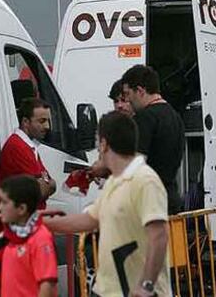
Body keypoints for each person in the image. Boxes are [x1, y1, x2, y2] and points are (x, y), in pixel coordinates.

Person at [45, 111, 170, 297]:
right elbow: (89, 220)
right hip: (110, 290)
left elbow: (159, 235)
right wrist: (41, 224)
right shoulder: (114, 181)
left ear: (103, 144)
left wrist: (147, 285)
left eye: (97, 141)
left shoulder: (145, 180)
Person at [0, 175, 58, 297]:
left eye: (4, 202)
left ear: (21, 209)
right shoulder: (5, 237)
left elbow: (47, 284)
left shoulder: (40, 239)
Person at [121, 64, 185, 215]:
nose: (127, 99)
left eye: (128, 93)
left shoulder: (145, 118)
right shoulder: (175, 117)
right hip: (170, 200)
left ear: (140, 91)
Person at [0, 98, 56, 208]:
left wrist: (47, 183)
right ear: (25, 122)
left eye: (48, 121)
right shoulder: (17, 147)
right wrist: (47, 183)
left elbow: (49, 183)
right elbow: (39, 191)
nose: (47, 126)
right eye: (42, 121)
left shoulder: (28, 146)